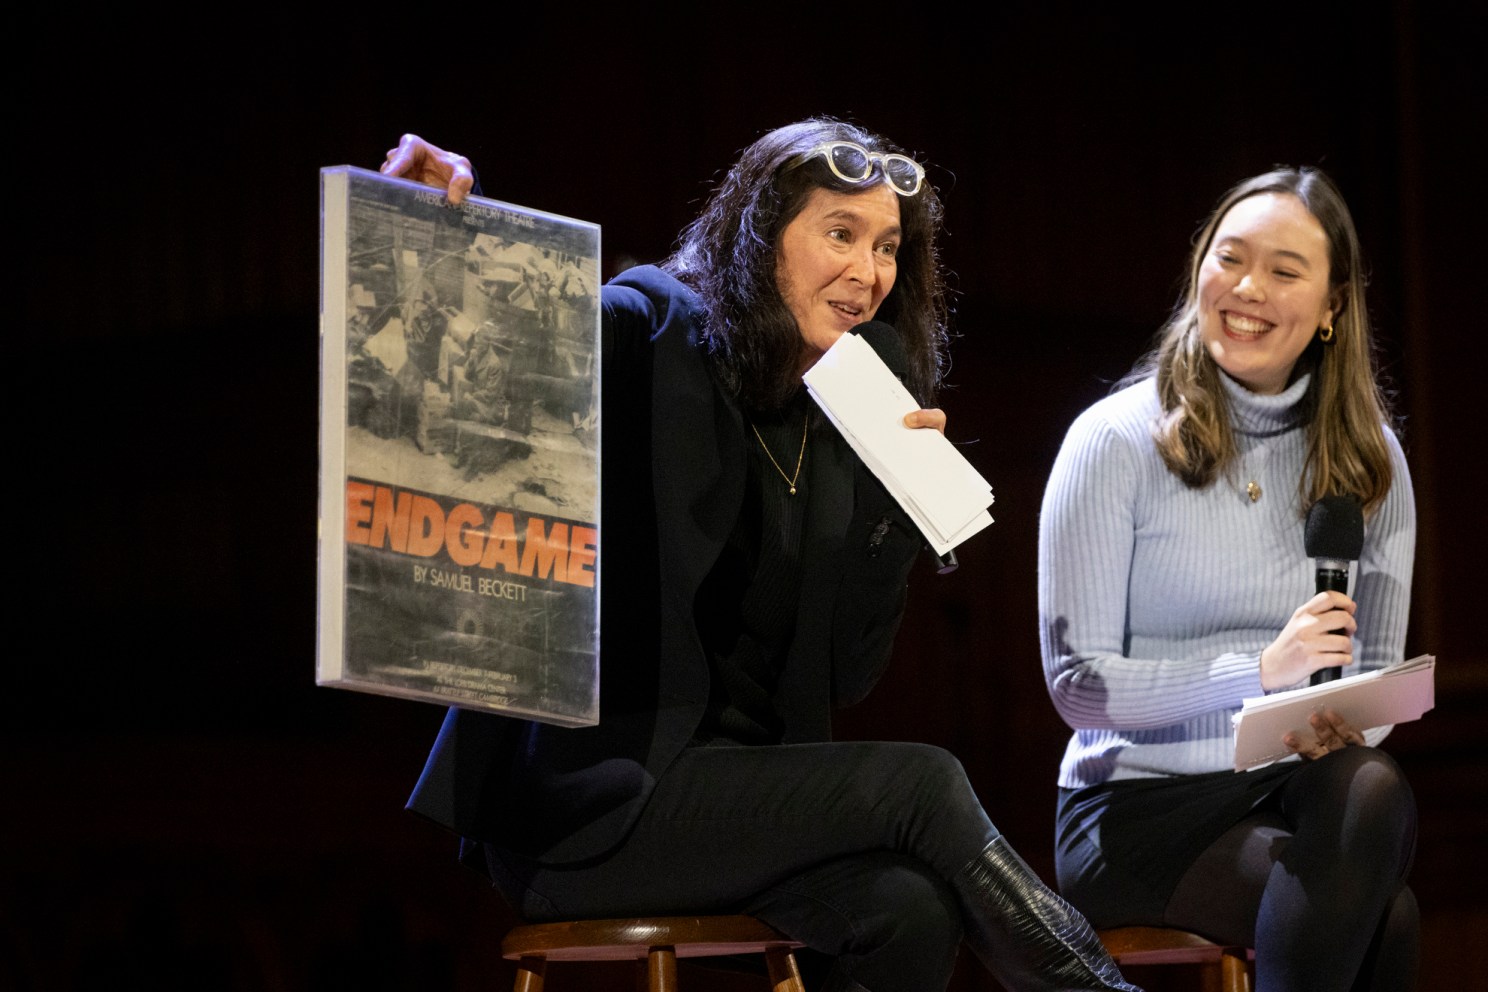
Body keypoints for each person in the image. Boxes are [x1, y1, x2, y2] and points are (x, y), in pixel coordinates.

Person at [385, 120, 1141, 992]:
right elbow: (522, 343)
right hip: (594, 806)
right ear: (760, 231)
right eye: (840, 234)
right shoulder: (653, 324)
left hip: (740, 797)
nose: (868, 273)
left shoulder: (844, 403)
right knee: (923, 783)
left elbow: (845, 676)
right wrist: (441, 235)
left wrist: (892, 514)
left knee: (909, 908)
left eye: (888, 247)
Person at [1037, 166, 1418, 991]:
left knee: (1369, 783)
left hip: (1290, 789)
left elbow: (1377, 680)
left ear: (1332, 307)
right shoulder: (1114, 442)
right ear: (1198, 268)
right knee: (1388, 919)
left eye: (1285, 271)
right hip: (1136, 806)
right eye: (1230, 258)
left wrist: (1341, 722)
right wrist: (1256, 676)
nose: (1248, 288)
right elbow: (1077, 687)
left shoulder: (1368, 458)